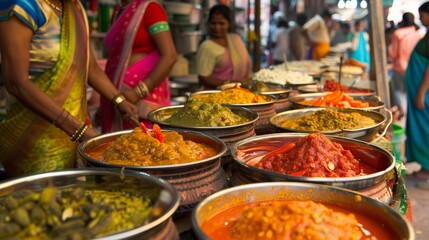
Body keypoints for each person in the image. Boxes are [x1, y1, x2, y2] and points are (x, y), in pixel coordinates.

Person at [0, 0, 138, 177]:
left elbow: (90, 67)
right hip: (33, 141)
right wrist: (77, 130)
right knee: (40, 199)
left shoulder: (74, 8)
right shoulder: (22, 5)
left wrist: (119, 100)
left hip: (74, 134)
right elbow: (16, 83)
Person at [100, 0, 177, 132]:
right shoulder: (119, 9)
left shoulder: (151, 9)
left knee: (143, 145)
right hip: (116, 96)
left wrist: (138, 92)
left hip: (140, 99)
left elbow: (169, 56)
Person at [196, 4, 251, 89]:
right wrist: (229, 83)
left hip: (240, 93)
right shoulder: (206, 46)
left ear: (229, 24)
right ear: (208, 24)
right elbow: (203, 77)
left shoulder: (236, 40)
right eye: (213, 23)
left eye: (222, 23)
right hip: (215, 95)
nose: (217, 27)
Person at [405, 1, 429, 188]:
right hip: (419, 92)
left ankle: (428, 172)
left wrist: (421, 92)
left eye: (423, 15)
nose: (420, 18)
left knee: (425, 131)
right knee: (420, 130)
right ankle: (424, 168)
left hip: (425, 94)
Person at [388, 12, 425, 119]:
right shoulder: (420, 34)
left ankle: (402, 111)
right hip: (415, 70)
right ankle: (407, 114)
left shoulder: (398, 34)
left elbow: (392, 54)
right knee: (410, 93)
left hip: (400, 67)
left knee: (399, 92)